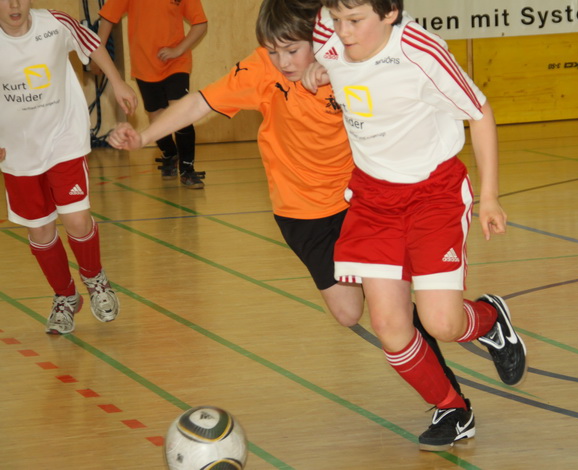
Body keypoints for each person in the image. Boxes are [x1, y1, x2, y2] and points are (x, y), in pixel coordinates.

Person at [107, 0, 469, 435]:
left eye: (293, 50)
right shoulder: (261, 70)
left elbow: (394, 42)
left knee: (390, 311)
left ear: (319, 37)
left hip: (360, 201)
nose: (283, 62)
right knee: (348, 313)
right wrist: (143, 136)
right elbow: (198, 104)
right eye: (273, 51)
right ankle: (470, 325)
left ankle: (449, 401)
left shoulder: (348, 59)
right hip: (301, 213)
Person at [302, 0, 528, 451]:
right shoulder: (326, 32)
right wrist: (319, 69)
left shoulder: (421, 52)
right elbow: (329, 51)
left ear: (390, 13)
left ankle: (488, 320)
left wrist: (489, 196)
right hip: (373, 199)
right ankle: (452, 408)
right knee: (390, 326)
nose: (343, 31)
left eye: (355, 21)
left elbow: (479, 112)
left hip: (433, 195)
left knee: (441, 323)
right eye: (338, 20)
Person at [0, 0, 138, 334]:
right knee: (41, 232)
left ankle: (95, 278)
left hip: (64, 140)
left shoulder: (55, 24)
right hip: (17, 151)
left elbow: (92, 43)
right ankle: (65, 296)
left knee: (76, 219)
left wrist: (117, 81)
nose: (14, 4)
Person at [97, 0, 208, 189]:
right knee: (156, 117)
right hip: (144, 65)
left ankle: (187, 169)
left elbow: (200, 24)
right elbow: (107, 17)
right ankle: (170, 153)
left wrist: (179, 49)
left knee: (181, 114)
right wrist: (96, 52)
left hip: (176, 63)